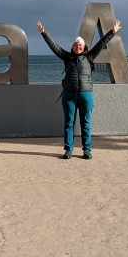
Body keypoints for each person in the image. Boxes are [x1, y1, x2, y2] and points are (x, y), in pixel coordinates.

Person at [35, 19, 121, 159]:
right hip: (69, 95)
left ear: (84, 46)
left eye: (80, 45)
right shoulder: (67, 57)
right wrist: (43, 32)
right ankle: (68, 150)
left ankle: (87, 150)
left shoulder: (89, 56)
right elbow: (54, 46)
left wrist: (112, 32)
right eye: (76, 45)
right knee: (69, 123)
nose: (78, 47)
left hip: (86, 94)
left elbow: (101, 44)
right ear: (73, 47)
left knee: (85, 123)